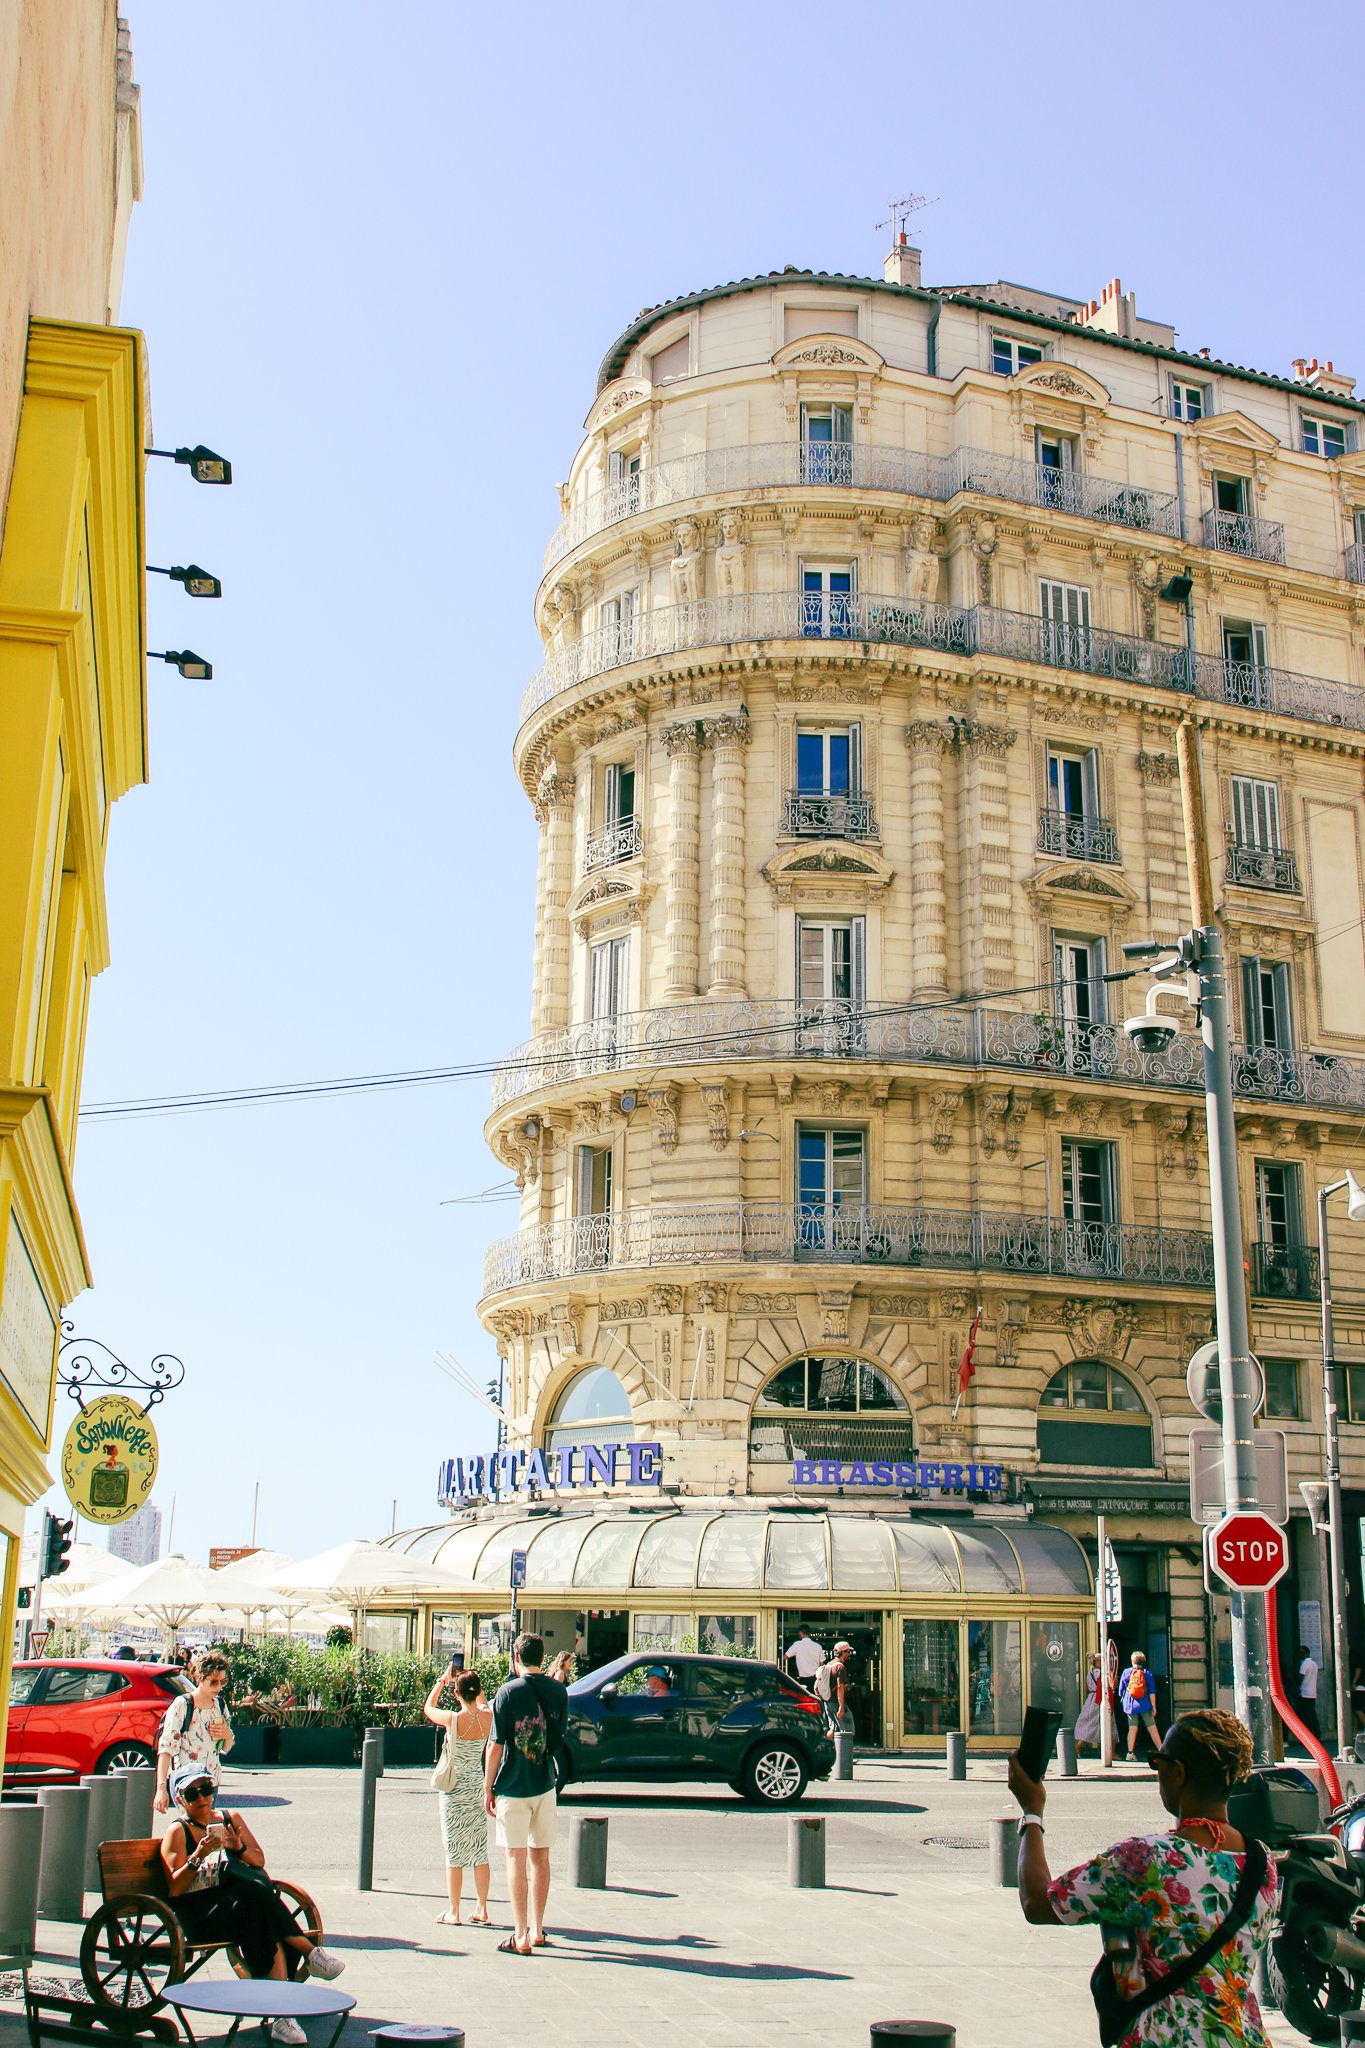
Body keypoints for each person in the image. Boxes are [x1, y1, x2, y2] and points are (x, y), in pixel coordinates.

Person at [1009, 1709, 1278, 2047]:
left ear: (1178, 1773)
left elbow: (1037, 1902)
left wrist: (1031, 1812)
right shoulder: (1262, 1863)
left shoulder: (1144, 1860)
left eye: (1158, 1761)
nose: (1157, 1772)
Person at [160, 1764, 344, 2045]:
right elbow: (174, 1887)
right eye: (192, 1793)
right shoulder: (178, 1831)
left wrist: (236, 1847)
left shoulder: (229, 1818)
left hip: (241, 1906)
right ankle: (310, 1956)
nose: (201, 1798)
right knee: (256, 1898)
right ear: (180, 1798)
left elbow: (258, 1861)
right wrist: (198, 1855)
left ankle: (282, 2015)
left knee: (257, 1908)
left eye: (206, 1790)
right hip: (203, 1916)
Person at [483, 1631, 568, 1957]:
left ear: (516, 1658)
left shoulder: (506, 1693)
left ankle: (519, 1935)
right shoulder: (559, 1691)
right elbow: (559, 1736)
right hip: (545, 1784)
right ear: (542, 1659)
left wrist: (488, 1786)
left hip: (513, 1787)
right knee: (541, 1856)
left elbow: (496, 1745)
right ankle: (537, 1928)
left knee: (515, 1857)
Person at [423, 1666, 494, 1927]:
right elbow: (484, 1704)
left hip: (453, 1790)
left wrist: (442, 1680)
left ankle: (454, 1910)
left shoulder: (453, 1719)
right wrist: (478, 1688)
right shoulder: (487, 1717)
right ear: (477, 1692)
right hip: (476, 1787)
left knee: (454, 1852)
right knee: (479, 1850)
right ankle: (482, 1908)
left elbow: (428, 1708)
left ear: (457, 1694)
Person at [155, 1651, 235, 1813]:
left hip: (211, 1781)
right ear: (200, 1678)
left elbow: (226, 1747)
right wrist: (161, 1788)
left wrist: (227, 1735)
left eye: (222, 1681)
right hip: (186, 1782)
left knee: (205, 1830)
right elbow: (166, 1749)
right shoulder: (183, 1704)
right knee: (193, 1830)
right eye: (213, 1682)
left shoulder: (220, 1705)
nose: (219, 1687)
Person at [1118, 1650, 1158, 1759]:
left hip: (1130, 1705)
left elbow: (1120, 1691)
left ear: (1132, 1661)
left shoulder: (1126, 1672)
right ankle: (1162, 1749)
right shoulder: (1147, 1673)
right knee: (1151, 1727)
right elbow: (1152, 1691)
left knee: (1132, 1728)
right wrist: (1153, 1706)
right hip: (1144, 1704)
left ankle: (1130, 1753)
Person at [814, 1641, 855, 1734]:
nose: (849, 1654)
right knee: (846, 1729)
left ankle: (829, 1747)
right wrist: (841, 1707)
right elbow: (840, 1687)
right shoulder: (840, 1667)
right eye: (848, 1651)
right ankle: (843, 1748)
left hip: (828, 1701)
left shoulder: (830, 1664)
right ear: (844, 1652)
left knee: (833, 1728)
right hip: (836, 1702)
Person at [1296, 1644, 1321, 1742]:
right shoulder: (1314, 1664)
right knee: (1312, 1713)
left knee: (1306, 1715)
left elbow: (1300, 1677)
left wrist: (1296, 1687)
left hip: (1305, 1692)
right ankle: (1317, 1733)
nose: (1300, 1655)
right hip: (1312, 1692)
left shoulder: (1304, 1664)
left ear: (1306, 1653)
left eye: (1301, 1653)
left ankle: (1310, 1734)